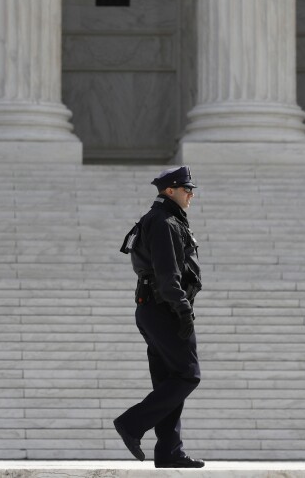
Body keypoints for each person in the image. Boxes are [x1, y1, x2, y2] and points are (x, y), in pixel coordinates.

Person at [113, 165, 204, 468]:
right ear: (170, 190)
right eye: (186, 188)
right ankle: (132, 423)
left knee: (169, 378)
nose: (191, 193)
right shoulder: (165, 222)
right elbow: (168, 275)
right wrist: (182, 310)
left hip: (153, 307)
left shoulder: (163, 219)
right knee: (188, 375)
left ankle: (169, 450)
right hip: (165, 308)